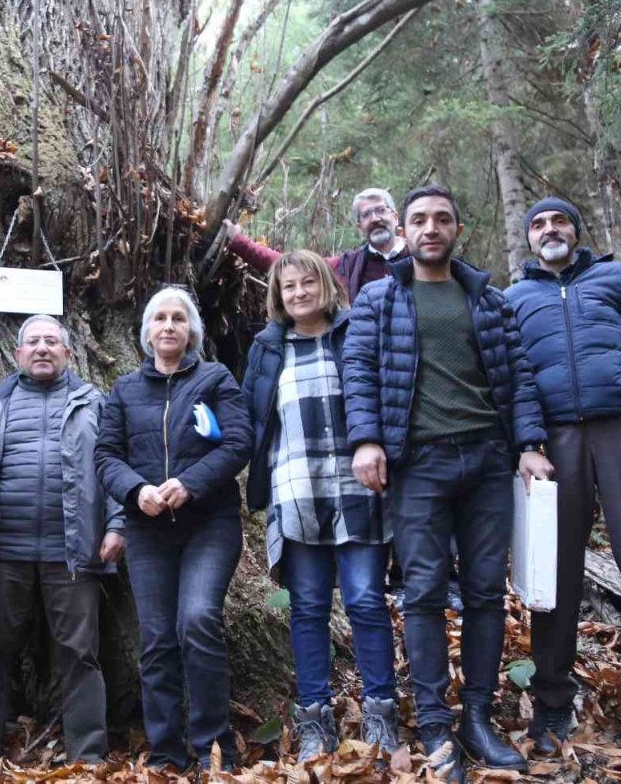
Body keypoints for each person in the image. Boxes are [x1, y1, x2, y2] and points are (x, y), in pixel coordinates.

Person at [342, 186, 553, 782]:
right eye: (420, 220)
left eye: (442, 219)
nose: (431, 228)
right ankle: (434, 724)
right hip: (419, 466)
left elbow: (518, 379)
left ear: (458, 228)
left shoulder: (487, 299)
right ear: (404, 232)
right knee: (425, 593)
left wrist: (530, 446)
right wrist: (365, 440)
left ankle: (477, 720)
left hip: (488, 460)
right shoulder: (381, 298)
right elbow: (357, 371)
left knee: (487, 592)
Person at [506, 197, 621, 756]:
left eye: (559, 220)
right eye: (538, 224)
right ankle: (554, 704)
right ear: (529, 240)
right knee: (552, 577)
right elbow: (514, 380)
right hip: (555, 444)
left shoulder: (617, 278)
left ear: (576, 231)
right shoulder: (514, 299)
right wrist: (526, 444)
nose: (549, 229)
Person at [240, 251, 397, 763]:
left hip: (359, 490)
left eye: (310, 283)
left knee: (366, 602)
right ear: (278, 297)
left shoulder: (356, 333)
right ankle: (314, 719)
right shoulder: (267, 349)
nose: (301, 293)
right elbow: (250, 420)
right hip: (296, 490)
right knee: (306, 609)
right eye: (290, 287)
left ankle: (380, 713)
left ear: (327, 285)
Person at [95, 287, 253, 772]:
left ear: (191, 331)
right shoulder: (125, 389)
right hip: (148, 532)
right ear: (146, 332)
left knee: (198, 620)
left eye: (178, 319)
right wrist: (135, 490)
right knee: (158, 639)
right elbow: (105, 455)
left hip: (209, 524)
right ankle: (166, 751)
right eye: (159, 318)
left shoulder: (215, 377)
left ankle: (212, 746)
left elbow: (240, 442)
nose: (168, 326)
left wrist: (189, 483)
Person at [0, 315, 125, 776]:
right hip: (4, 551)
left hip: (73, 551)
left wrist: (117, 525)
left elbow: (113, 465)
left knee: (80, 654)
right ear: (16, 354)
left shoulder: (93, 402)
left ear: (68, 353)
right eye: (32, 342)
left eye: (51, 341)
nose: (41, 348)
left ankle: (88, 759)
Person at [223, 188, 410, 301]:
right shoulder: (347, 265)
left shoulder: (422, 255)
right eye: (367, 214)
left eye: (381, 210)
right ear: (359, 226)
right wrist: (240, 243)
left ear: (395, 217)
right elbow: (292, 265)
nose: (375, 218)